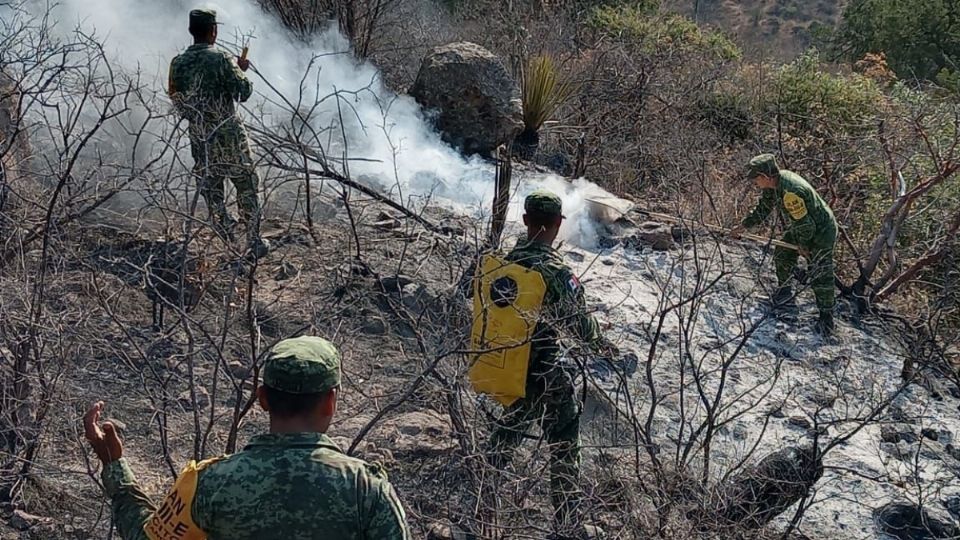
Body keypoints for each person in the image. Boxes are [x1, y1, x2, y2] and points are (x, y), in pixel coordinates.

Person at [83, 336, 410, 539]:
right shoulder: (366, 491)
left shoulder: (209, 483)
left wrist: (116, 469)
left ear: (262, 398)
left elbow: (147, 537)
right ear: (330, 401)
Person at [488, 189, 616, 538]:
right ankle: (565, 523)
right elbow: (581, 327)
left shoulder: (502, 263)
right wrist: (605, 348)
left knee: (509, 428)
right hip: (544, 370)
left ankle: (481, 488)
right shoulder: (555, 271)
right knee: (564, 439)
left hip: (505, 364)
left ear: (526, 220)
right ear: (558, 225)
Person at [168, 8, 268, 258]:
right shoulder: (222, 59)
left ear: (192, 31)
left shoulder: (178, 63)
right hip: (228, 135)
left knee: (211, 189)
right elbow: (242, 92)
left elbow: (177, 101)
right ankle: (254, 242)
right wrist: (240, 70)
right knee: (246, 183)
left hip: (200, 137)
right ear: (213, 31)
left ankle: (227, 237)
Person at [731, 154, 838, 336]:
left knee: (820, 271)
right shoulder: (774, 183)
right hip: (803, 227)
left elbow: (807, 226)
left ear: (765, 176)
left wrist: (804, 246)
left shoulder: (790, 192)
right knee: (783, 252)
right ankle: (784, 291)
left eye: (756, 178)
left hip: (821, 231)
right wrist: (743, 226)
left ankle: (826, 317)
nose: (755, 182)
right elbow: (764, 208)